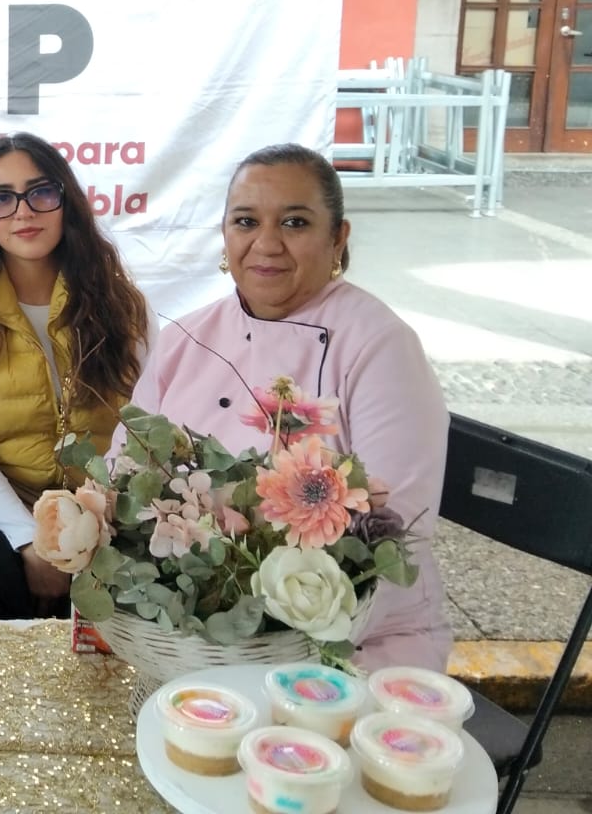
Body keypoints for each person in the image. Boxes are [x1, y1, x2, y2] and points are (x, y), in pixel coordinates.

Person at [131, 142, 450, 672]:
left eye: (295, 223)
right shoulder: (186, 337)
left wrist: (274, 633)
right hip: (190, 637)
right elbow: (128, 473)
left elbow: (397, 533)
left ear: (338, 237)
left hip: (355, 641)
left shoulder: (380, 346)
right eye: (246, 222)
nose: (267, 244)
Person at [0, 133, 151, 620]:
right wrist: (31, 540)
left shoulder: (123, 305)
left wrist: (88, 525)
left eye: (41, 192)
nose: (23, 212)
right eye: (2, 198)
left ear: (66, 201)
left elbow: (145, 425)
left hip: (105, 500)